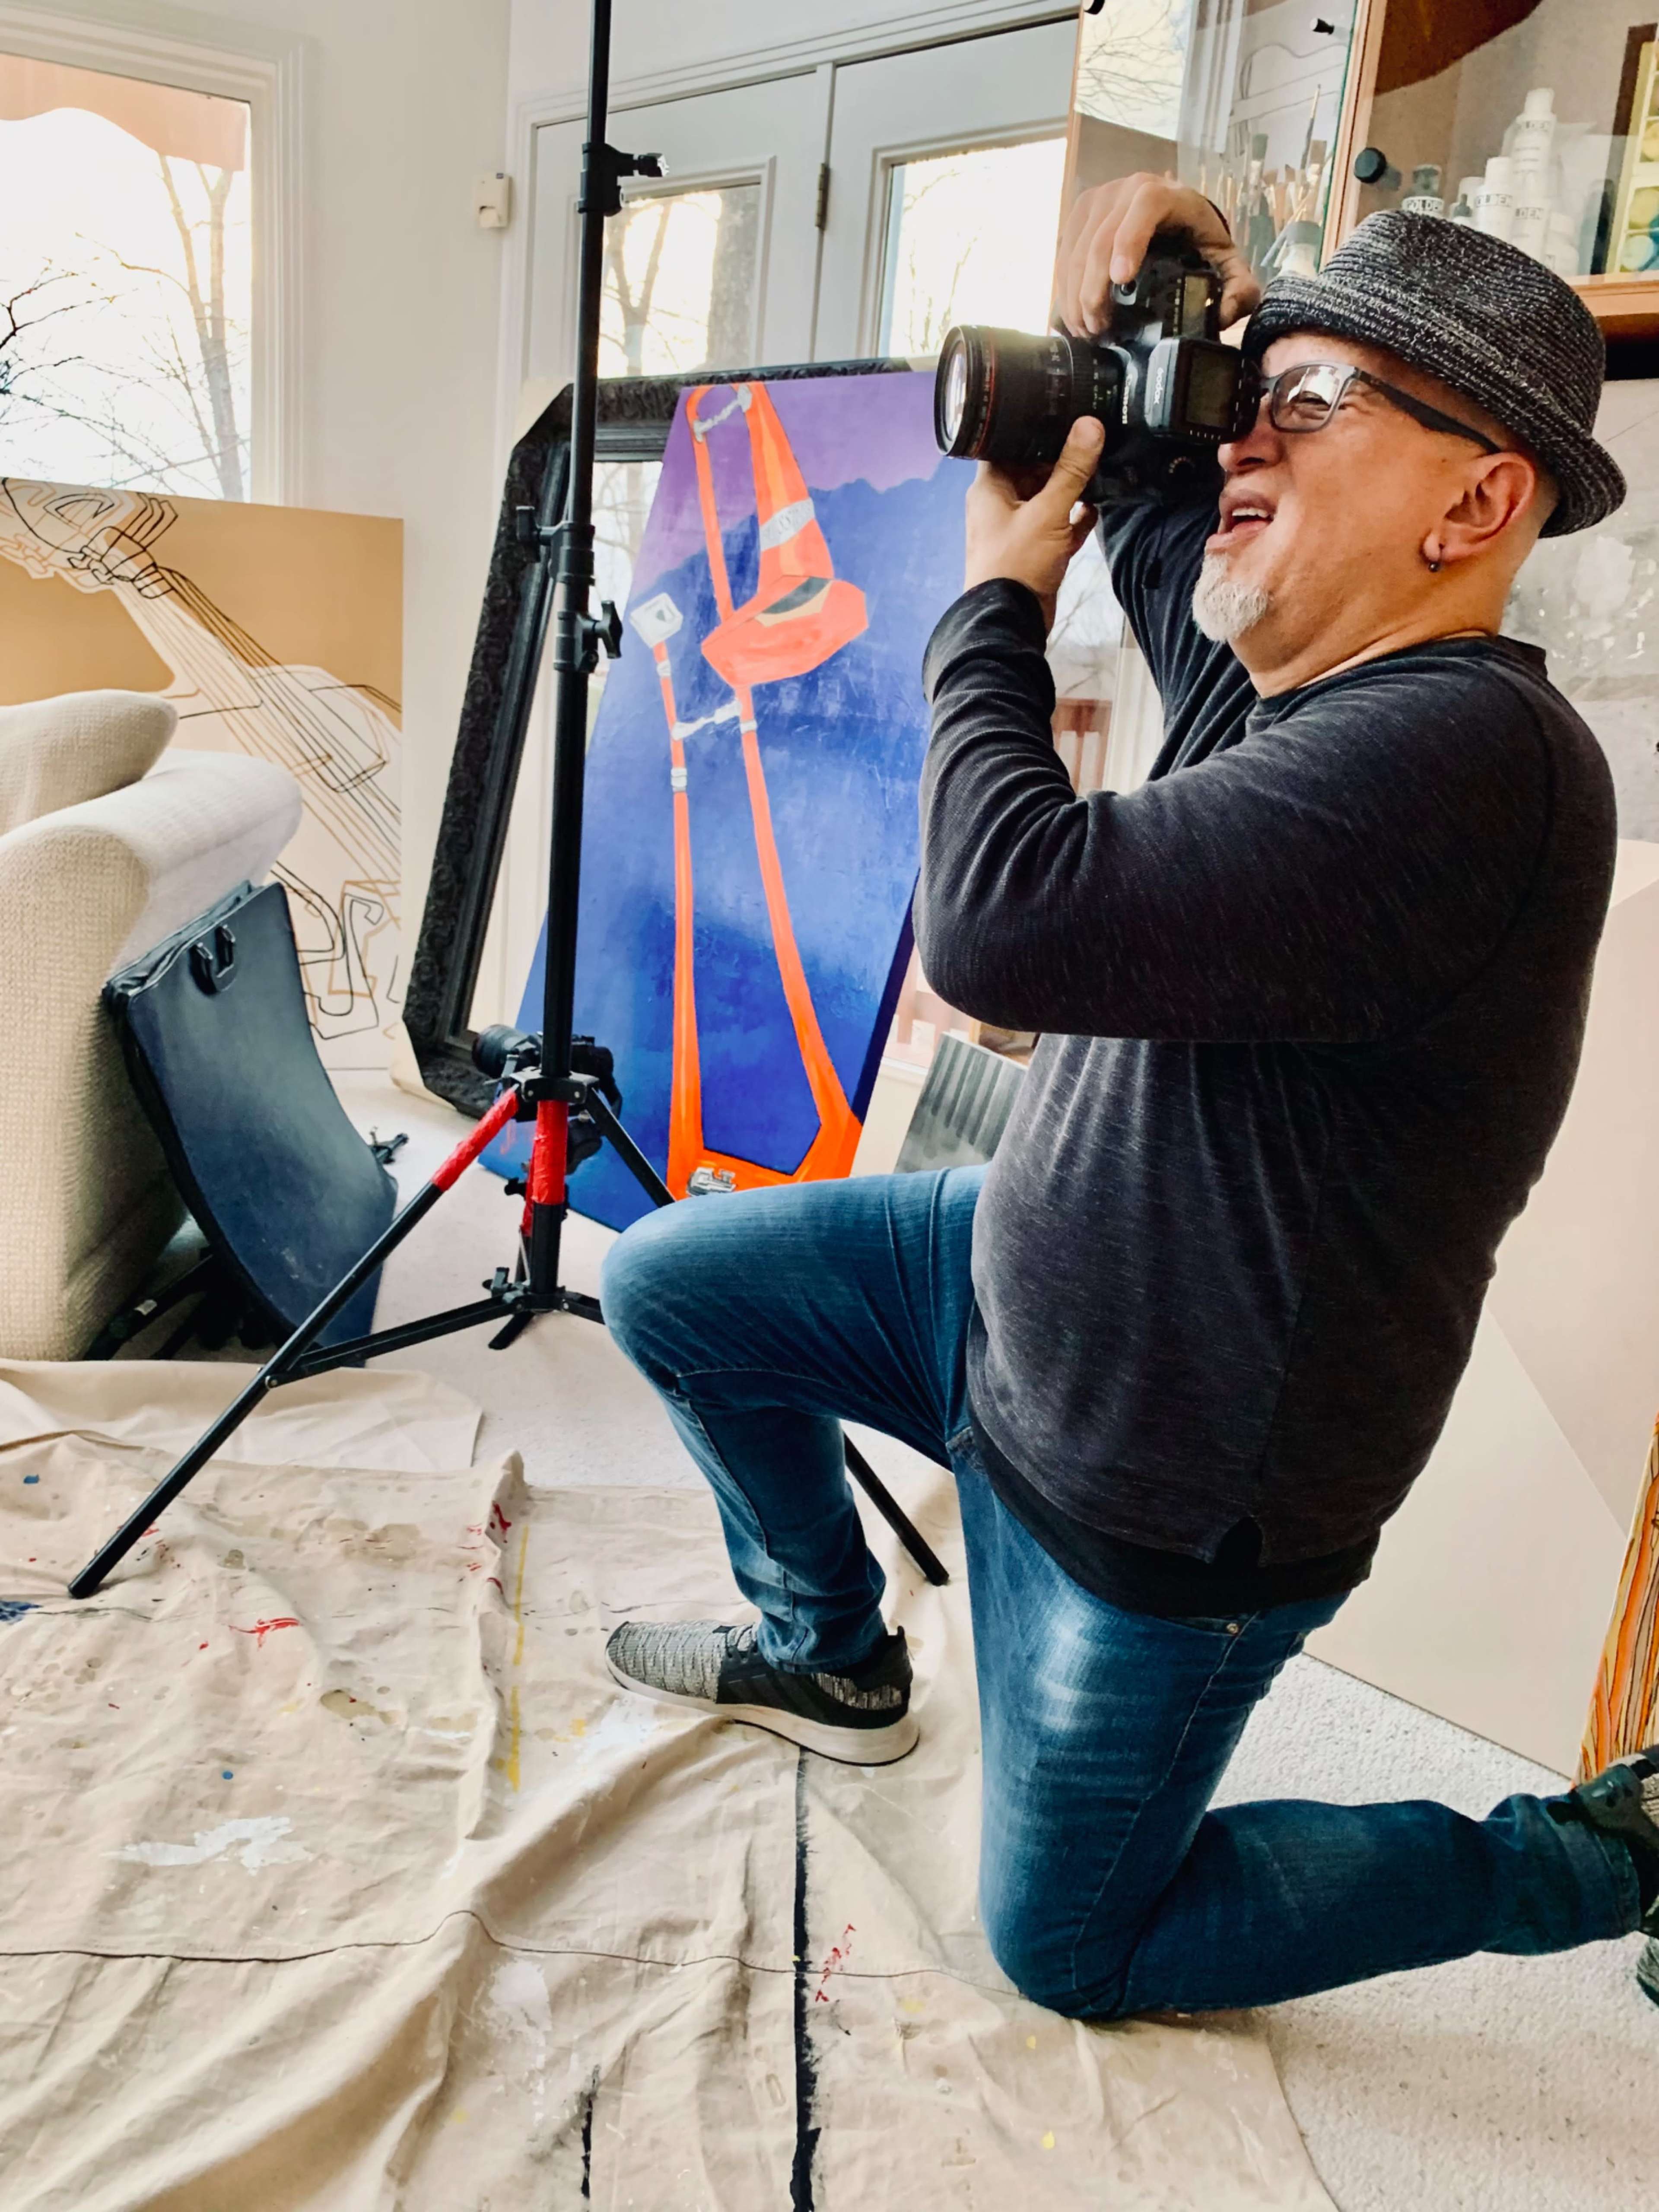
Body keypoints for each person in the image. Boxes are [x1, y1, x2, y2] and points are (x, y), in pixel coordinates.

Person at [597, 181, 1659, 2020]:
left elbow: (1005, 922)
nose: (1249, 432)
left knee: (1075, 1945)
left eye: (1311, 403)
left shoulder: (1472, 758)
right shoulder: (1290, 676)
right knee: (673, 1284)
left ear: (1478, 502)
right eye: (1260, 390)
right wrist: (1183, 292)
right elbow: (1165, 483)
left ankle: (1602, 1853)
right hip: (998, 1287)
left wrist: (993, 598)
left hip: (1160, 1492)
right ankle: (830, 1649)